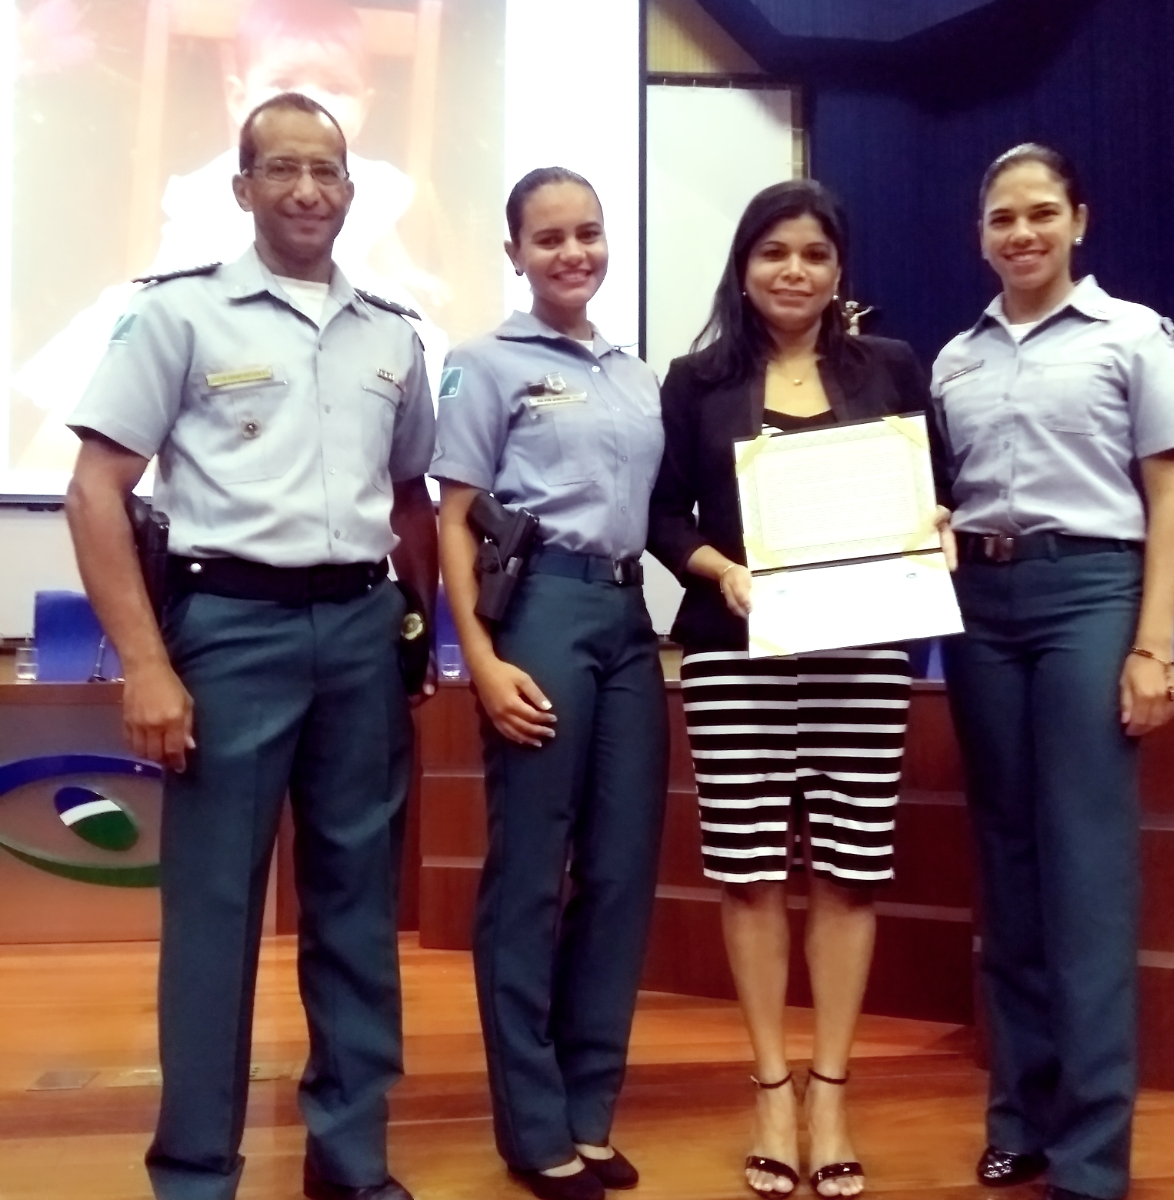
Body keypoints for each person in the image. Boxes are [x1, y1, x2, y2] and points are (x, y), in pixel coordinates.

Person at [64, 92, 437, 1200]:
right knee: (216, 914)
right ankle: (194, 1174)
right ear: (242, 188)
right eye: (282, 168)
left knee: (358, 904)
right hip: (227, 630)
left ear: (351, 190)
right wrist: (146, 663)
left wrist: (415, 633)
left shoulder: (393, 333)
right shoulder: (177, 315)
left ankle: (350, 1157)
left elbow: (409, 499)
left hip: (361, 632)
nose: (307, 190)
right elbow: (95, 490)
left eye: (326, 171)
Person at [648, 179, 939, 1199]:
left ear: (839, 269)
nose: (794, 270)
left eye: (814, 253)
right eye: (774, 251)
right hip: (737, 652)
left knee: (851, 874)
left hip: (863, 652)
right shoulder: (695, 380)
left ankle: (832, 1092)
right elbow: (663, 515)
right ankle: (772, 1088)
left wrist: (934, 528)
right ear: (743, 266)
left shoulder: (892, 368)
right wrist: (718, 570)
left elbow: (933, 492)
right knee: (751, 872)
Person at [932, 144, 1174, 1200]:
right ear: (981, 234)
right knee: (1007, 871)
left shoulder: (1133, 336)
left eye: (1041, 212)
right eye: (1002, 218)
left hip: (1090, 595)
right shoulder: (955, 359)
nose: (1022, 233)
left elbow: (1170, 495)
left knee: (1086, 876)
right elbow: (939, 496)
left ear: (1078, 220)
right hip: (981, 609)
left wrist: (1152, 645)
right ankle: (1021, 1118)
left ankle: (1092, 1153)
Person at [432, 167, 667, 1200]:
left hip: (628, 618)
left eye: (589, 233)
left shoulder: (636, 374)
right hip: (539, 614)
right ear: (515, 253)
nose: (574, 252)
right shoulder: (484, 363)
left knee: (620, 873)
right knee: (531, 874)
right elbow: (453, 519)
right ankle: (533, 1128)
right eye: (550, 237)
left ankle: (587, 1110)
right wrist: (479, 657)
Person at [16, 0, 447, 474]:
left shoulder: (369, 182)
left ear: (364, 105)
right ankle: (45, 478)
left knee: (396, 383)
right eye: (283, 83)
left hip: (336, 313)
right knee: (105, 380)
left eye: (335, 88)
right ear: (238, 96)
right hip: (219, 313)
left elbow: (382, 250)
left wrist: (411, 276)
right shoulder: (218, 183)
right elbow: (173, 262)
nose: (309, 103)